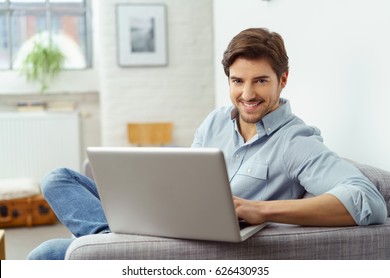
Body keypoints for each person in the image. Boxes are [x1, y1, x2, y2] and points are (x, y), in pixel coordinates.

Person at [28, 27, 387, 260]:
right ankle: (113, 238)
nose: (247, 94)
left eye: (261, 81)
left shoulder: (297, 141)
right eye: (237, 81)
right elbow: (188, 179)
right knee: (57, 178)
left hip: (196, 248)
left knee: (46, 255)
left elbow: (368, 200)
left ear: (283, 80)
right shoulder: (216, 120)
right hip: (171, 222)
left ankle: (113, 246)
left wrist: (261, 210)